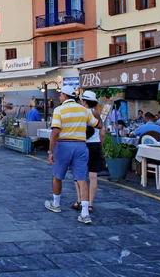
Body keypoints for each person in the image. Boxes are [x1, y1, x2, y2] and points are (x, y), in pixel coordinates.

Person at [44, 85, 102, 225]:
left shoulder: (59, 110)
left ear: (64, 96)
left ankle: (56, 204)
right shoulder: (84, 110)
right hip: (81, 145)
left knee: (57, 176)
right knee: (82, 178)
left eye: (60, 95)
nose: (59, 97)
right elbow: (98, 125)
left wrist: (51, 151)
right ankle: (85, 212)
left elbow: (55, 132)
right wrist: (97, 115)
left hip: (64, 145)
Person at [71, 91, 105, 214]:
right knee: (93, 176)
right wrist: (101, 147)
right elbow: (102, 132)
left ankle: (80, 200)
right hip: (95, 145)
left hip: (82, 144)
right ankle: (90, 204)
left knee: (79, 174)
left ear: (84, 101)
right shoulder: (97, 113)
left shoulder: (81, 113)